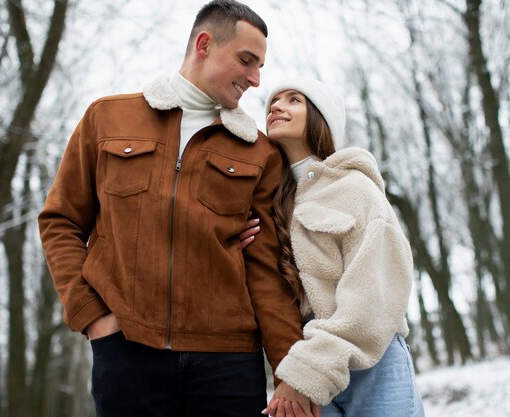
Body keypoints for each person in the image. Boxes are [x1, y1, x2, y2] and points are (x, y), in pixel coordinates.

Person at [38, 2, 311, 416]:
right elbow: (60, 222)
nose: (256, 79)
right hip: (127, 353)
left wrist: (290, 368)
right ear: (204, 44)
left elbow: (265, 269)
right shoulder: (107, 119)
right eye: (246, 60)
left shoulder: (259, 152)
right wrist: (92, 316)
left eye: (260, 66)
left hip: (229, 361)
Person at [253, 77, 426, 417]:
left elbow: (377, 293)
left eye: (293, 100)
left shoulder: (355, 187)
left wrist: (307, 372)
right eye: (273, 102)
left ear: (320, 116)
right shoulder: (269, 201)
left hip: (372, 362)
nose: (276, 106)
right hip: (306, 365)